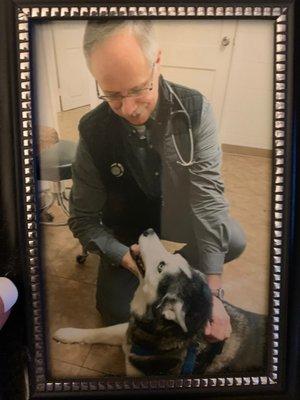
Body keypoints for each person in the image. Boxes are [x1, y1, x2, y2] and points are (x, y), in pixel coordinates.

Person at [68, 20, 246, 343]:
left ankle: (178, 275)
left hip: (176, 221)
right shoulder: (92, 130)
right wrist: (130, 261)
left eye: (138, 89)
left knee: (230, 238)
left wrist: (213, 292)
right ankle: (163, 274)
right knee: (121, 314)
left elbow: (208, 200)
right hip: (128, 237)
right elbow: (82, 220)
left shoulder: (194, 110)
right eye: (112, 95)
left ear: (158, 60)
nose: (129, 108)